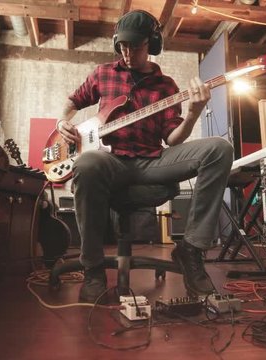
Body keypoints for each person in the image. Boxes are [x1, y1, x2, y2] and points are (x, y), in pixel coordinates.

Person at [56, 10, 234, 303]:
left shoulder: (166, 87)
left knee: (219, 149)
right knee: (86, 163)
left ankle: (191, 248)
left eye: (135, 46)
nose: (127, 53)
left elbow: (172, 138)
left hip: (151, 162)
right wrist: (61, 122)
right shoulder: (103, 74)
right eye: (122, 46)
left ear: (151, 44)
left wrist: (193, 113)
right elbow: (72, 102)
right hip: (109, 161)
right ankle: (93, 268)